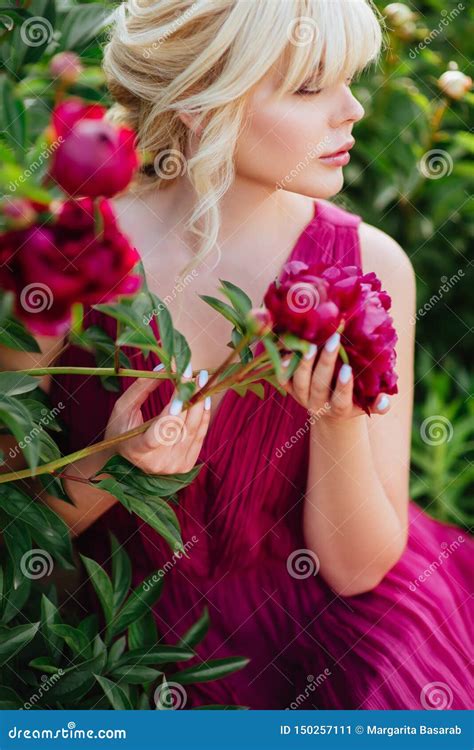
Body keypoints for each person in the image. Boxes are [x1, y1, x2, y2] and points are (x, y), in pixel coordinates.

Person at [4, 0, 472, 709]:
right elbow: (16, 524)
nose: (350, 110)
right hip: (125, 650)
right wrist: (121, 466)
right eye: (311, 87)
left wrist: (339, 421)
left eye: (348, 81)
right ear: (199, 101)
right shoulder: (67, 255)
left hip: (332, 637)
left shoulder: (371, 264)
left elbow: (356, 568)